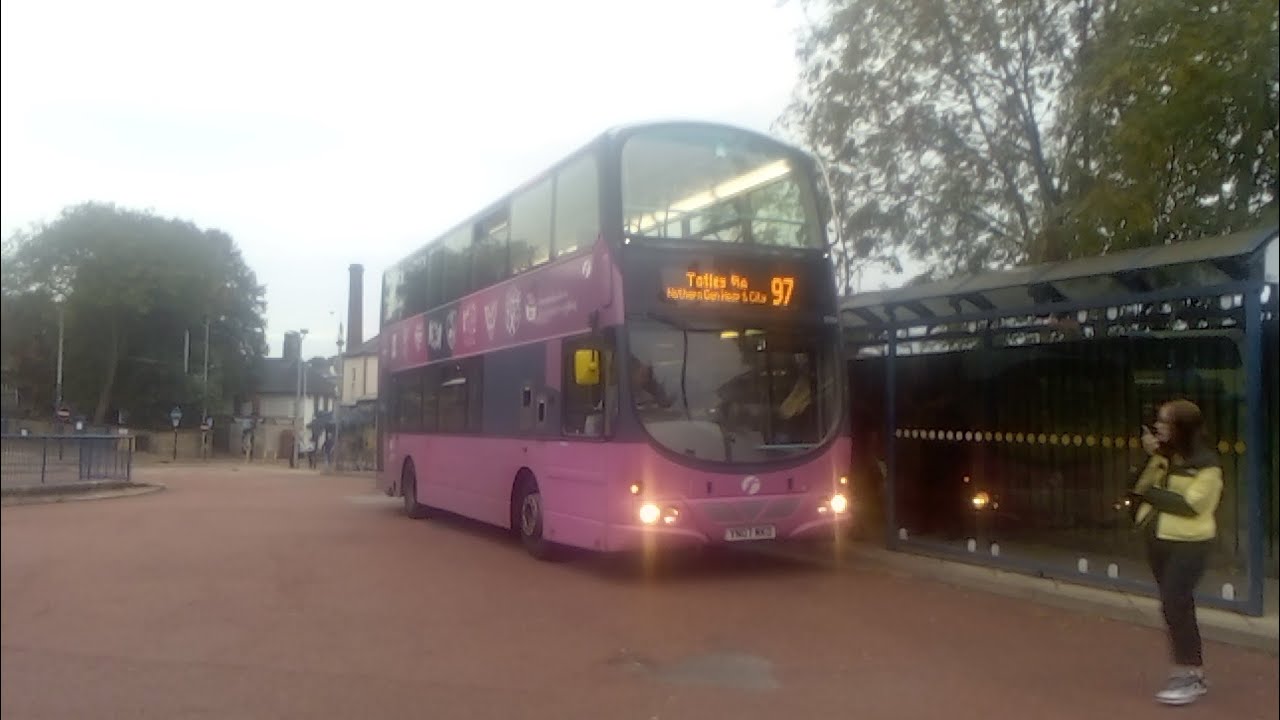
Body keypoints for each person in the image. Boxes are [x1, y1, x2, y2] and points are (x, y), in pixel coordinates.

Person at [1127, 399, 1223, 706]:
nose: (1158, 427)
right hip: (1159, 539)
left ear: (1182, 427)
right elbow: (1135, 485)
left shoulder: (1207, 464)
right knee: (1175, 605)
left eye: (1166, 423)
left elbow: (1191, 505)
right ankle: (1191, 669)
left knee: (1174, 602)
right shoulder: (1164, 456)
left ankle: (1188, 673)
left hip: (1190, 543)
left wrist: (1150, 494)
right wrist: (1153, 457)